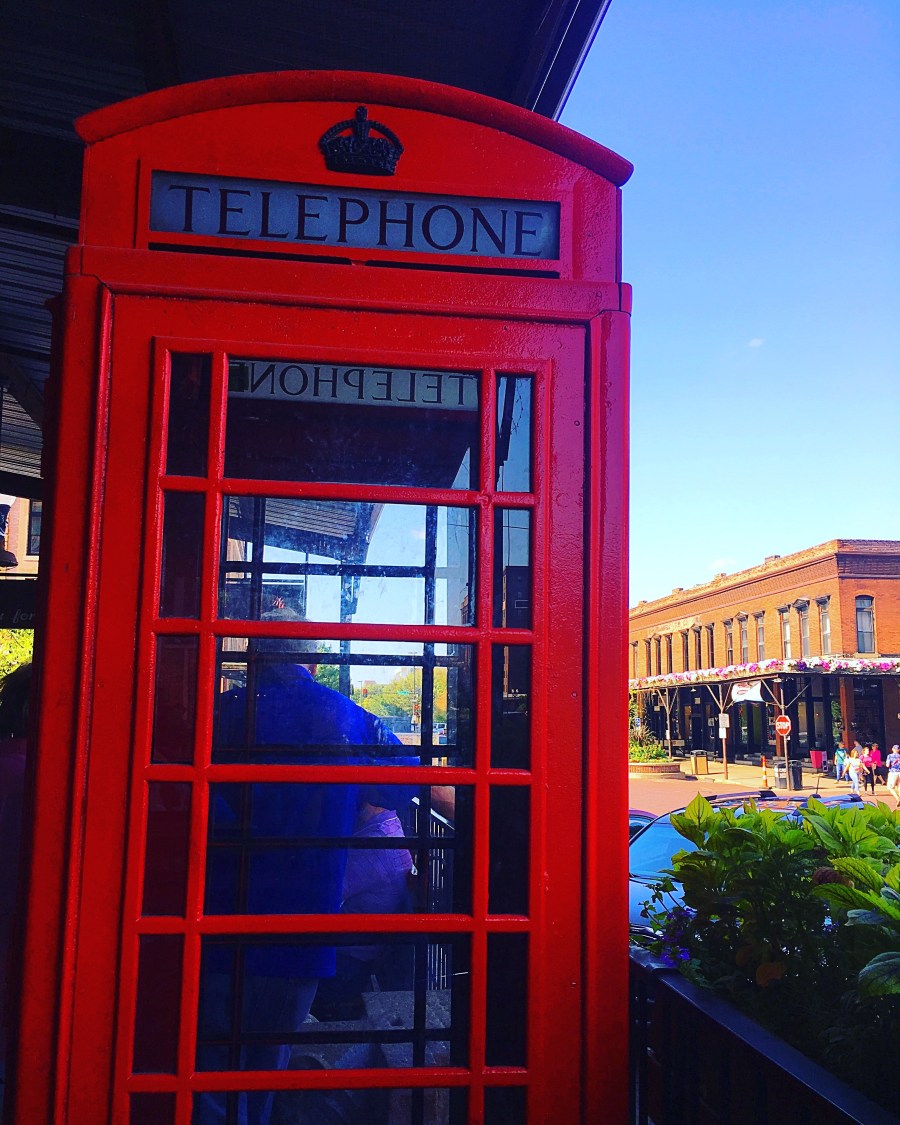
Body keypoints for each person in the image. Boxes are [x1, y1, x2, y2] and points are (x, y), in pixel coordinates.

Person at [198, 614, 416, 1125]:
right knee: (266, 1068)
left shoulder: (219, 713)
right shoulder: (348, 715)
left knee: (208, 1065)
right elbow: (400, 785)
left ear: (252, 655)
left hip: (216, 922)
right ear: (314, 660)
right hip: (302, 927)